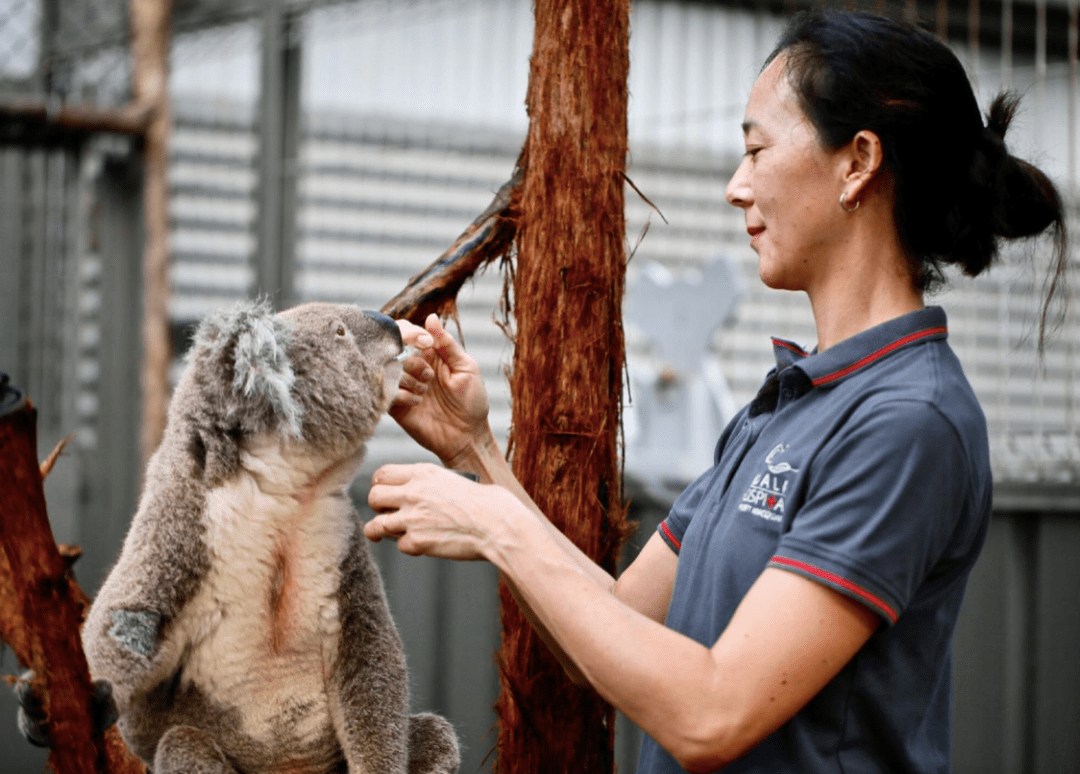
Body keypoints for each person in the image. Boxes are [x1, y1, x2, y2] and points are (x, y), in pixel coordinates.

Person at [364, 10, 1067, 774]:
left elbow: (710, 714)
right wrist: (478, 453)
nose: (737, 187)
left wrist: (499, 525)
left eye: (757, 149)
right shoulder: (788, 401)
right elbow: (613, 623)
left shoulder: (908, 422)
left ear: (858, 161)